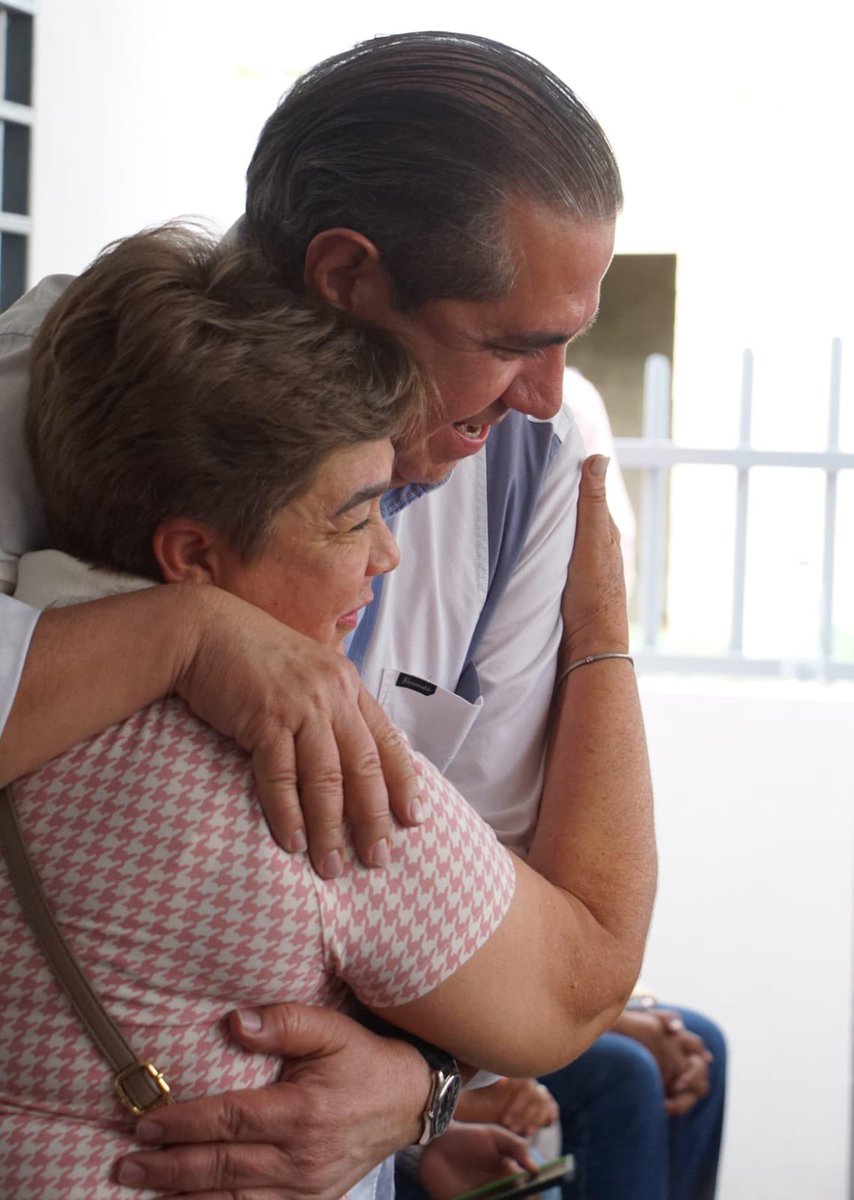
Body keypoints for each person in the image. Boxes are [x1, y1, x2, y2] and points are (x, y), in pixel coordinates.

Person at [0, 31, 655, 1197]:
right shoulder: (49, 389)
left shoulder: (530, 462)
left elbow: (504, 890)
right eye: (511, 344)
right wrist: (184, 636)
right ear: (347, 276)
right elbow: (566, 974)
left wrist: (419, 1091)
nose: (546, 394)